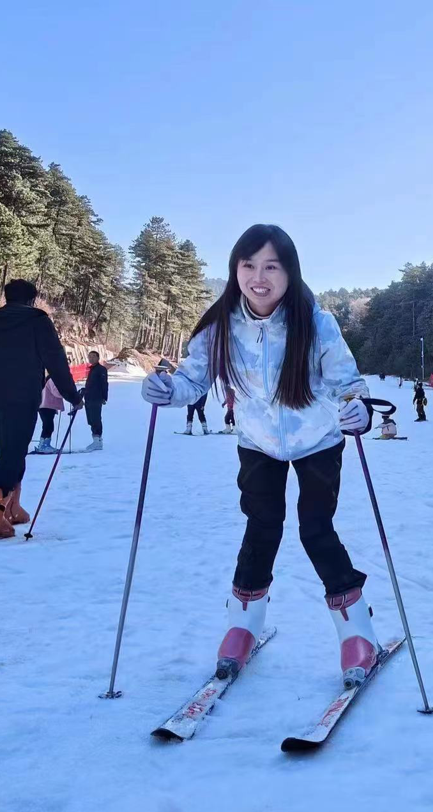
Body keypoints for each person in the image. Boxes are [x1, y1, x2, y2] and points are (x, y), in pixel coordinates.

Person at [140, 224, 378, 684]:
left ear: (290, 271)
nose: (259, 277)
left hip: (318, 441)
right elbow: (192, 380)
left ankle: (357, 634)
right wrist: (166, 389)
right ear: (235, 270)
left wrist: (359, 409)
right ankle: (242, 626)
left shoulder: (316, 322)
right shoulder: (220, 325)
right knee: (261, 527)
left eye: (271, 265)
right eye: (248, 265)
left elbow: (348, 384)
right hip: (257, 443)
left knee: (316, 529)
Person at [0, 279, 81, 537]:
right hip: (21, 395)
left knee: (9, 450)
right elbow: (56, 360)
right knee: (13, 452)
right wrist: (72, 395)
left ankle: (12, 507)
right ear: (32, 299)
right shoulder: (37, 321)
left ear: (7, 298)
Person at [81, 350, 108, 452]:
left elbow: (104, 384)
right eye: (89, 357)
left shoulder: (101, 369)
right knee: (90, 418)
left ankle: (97, 440)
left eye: (93, 357)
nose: (91, 358)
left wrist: (104, 397)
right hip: (89, 397)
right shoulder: (92, 369)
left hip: (96, 397)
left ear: (98, 358)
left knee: (95, 418)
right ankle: (96, 439)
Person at [35, 377, 65, 453]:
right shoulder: (53, 380)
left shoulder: (50, 380)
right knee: (48, 426)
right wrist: (66, 392)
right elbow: (56, 392)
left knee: (47, 425)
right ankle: (44, 445)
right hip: (46, 406)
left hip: (47, 406)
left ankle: (44, 444)